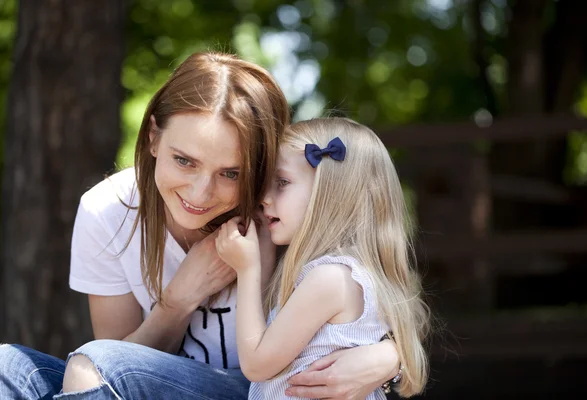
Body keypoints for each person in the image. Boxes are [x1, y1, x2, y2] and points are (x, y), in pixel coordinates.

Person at [0, 53, 400, 400]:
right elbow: (115, 358)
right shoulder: (107, 211)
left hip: (261, 390)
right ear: (154, 137)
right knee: (7, 367)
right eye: (184, 160)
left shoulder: (278, 211)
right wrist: (177, 301)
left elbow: (378, 301)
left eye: (230, 172)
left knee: (101, 364)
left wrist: (389, 359)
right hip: (158, 384)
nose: (200, 192)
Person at [215, 118, 430, 399]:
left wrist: (247, 269)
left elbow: (256, 365)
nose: (264, 197)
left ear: (329, 193)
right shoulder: (346, 274)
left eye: (282, 182)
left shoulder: (330, 278)